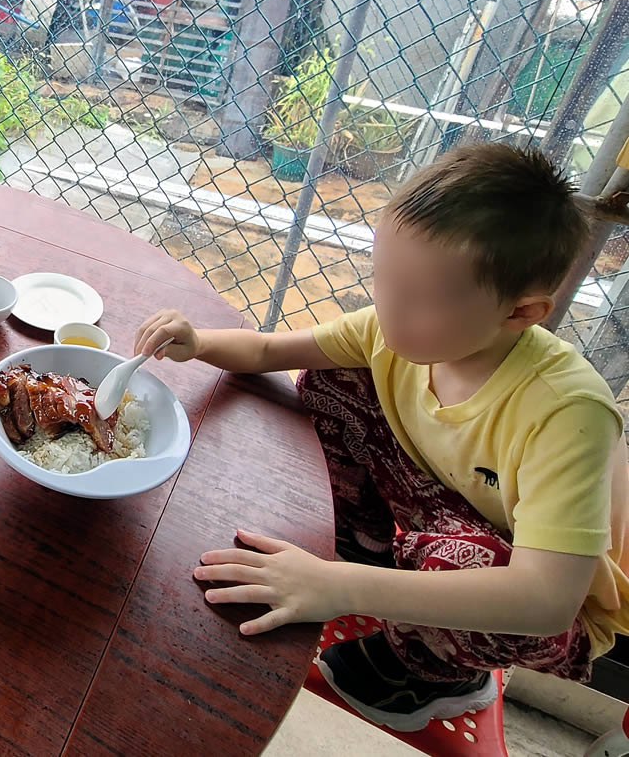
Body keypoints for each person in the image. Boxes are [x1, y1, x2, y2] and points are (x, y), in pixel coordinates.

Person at [133, 144, 628, 732]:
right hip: (433, 506)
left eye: (417, 299)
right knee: (334, 378)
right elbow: (268, 350)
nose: (387, 310)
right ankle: (364, 545)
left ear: (521, 313)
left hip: (532, 591)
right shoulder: (393, 331)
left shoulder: (567, 410)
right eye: (382, 279)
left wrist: (339, 587)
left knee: (460, 561)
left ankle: (431, 675)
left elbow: (545, 601)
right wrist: (198, 342)